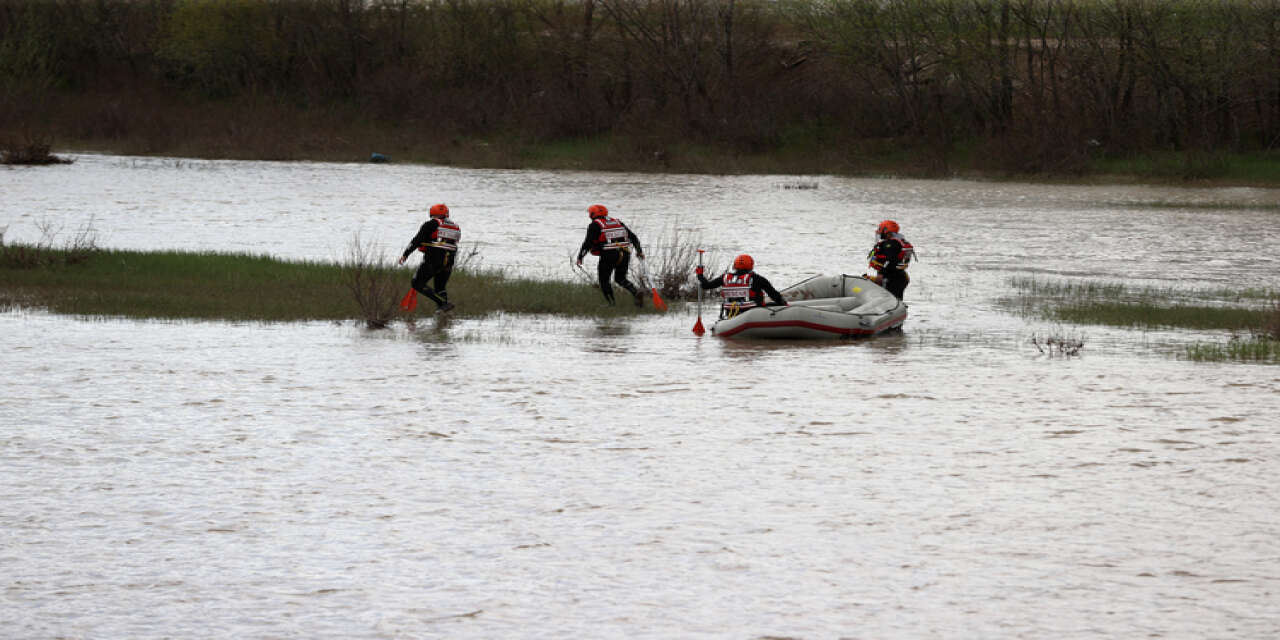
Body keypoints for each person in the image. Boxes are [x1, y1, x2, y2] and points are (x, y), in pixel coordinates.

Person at [576, 204, 646, 306]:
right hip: (625, 253)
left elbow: (587, 243)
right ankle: (635, 292)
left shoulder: (595, 225)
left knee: (604, 280)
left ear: (593, 214)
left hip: (609, 255)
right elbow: (634, 238)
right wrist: (639, 251)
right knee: (620, 279)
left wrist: (580, 257)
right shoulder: (618, 222)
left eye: (589, 214)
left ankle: (611, 304)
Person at [399, 203, 461, 312]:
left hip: (434, 259)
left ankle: (443, 303)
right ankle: (443, 313)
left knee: (417, 283)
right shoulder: (456, 227)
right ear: (447, 214)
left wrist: (405, 255)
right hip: (450, 260)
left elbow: (416, 241)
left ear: (432, 214)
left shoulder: (430, 224)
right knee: (440, 287)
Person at [696, 253, 787, 318]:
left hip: (731, 313)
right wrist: (784, 304)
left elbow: (706, 285)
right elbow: (774, 294)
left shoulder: (725, 277)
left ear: (735, 265)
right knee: (774, 304)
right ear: (751, 266)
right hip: (755, 313)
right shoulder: (757, 278)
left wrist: (700, 275)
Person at [867, 219, 914, 300]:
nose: (879, 232)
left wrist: (881, 274)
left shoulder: (890, 244)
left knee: (889, 301)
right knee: (896, 300)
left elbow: (890, 261)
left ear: (886, 231)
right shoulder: (898, 242)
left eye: (880, 229)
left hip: (891, 279)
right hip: (899, 276)